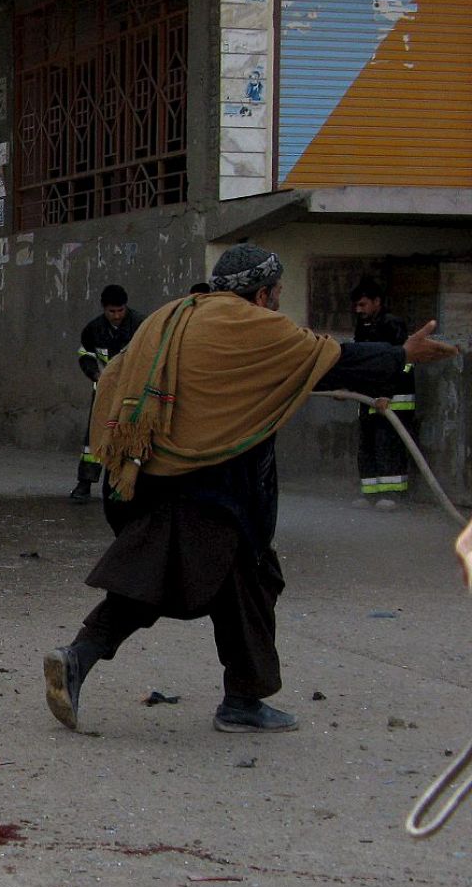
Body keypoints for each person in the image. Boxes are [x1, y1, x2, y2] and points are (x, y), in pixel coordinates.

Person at [43, 243, 459, 735]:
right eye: (278, 291)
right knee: (161, 585)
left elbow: (115, 379)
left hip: (154, 473)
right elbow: (331, 359)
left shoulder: (173, 314)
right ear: (261, 293)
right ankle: (88, 659)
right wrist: (402, 355)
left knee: (236, 584)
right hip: (214, 487)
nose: (279, 300)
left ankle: (239, 697)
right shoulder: (252, 325)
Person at [71, 285, 145, 504]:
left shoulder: (141, 325)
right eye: (112, 311)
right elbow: (85, 354)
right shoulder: (93, 329)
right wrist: (95, 374)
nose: (116, 316)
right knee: (95, 438)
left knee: (130, 436)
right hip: (104, 392)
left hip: (133, 393)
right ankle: (85, 483)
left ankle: (124, 485)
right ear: (104, 309)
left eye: (120, 311)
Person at [351, 278, 415, 510]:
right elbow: (360, 361)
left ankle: (392, 495)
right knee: (367, 446)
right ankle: (370, 494)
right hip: (369, 398)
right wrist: (349, 388)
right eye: (357, 306)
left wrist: (387, 393)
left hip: (394, 401)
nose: (359, 310)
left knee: (388, 446)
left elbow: (400, 362)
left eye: (363, 305)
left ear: (377, 302)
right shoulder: (363, 327)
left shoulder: (392, 325)